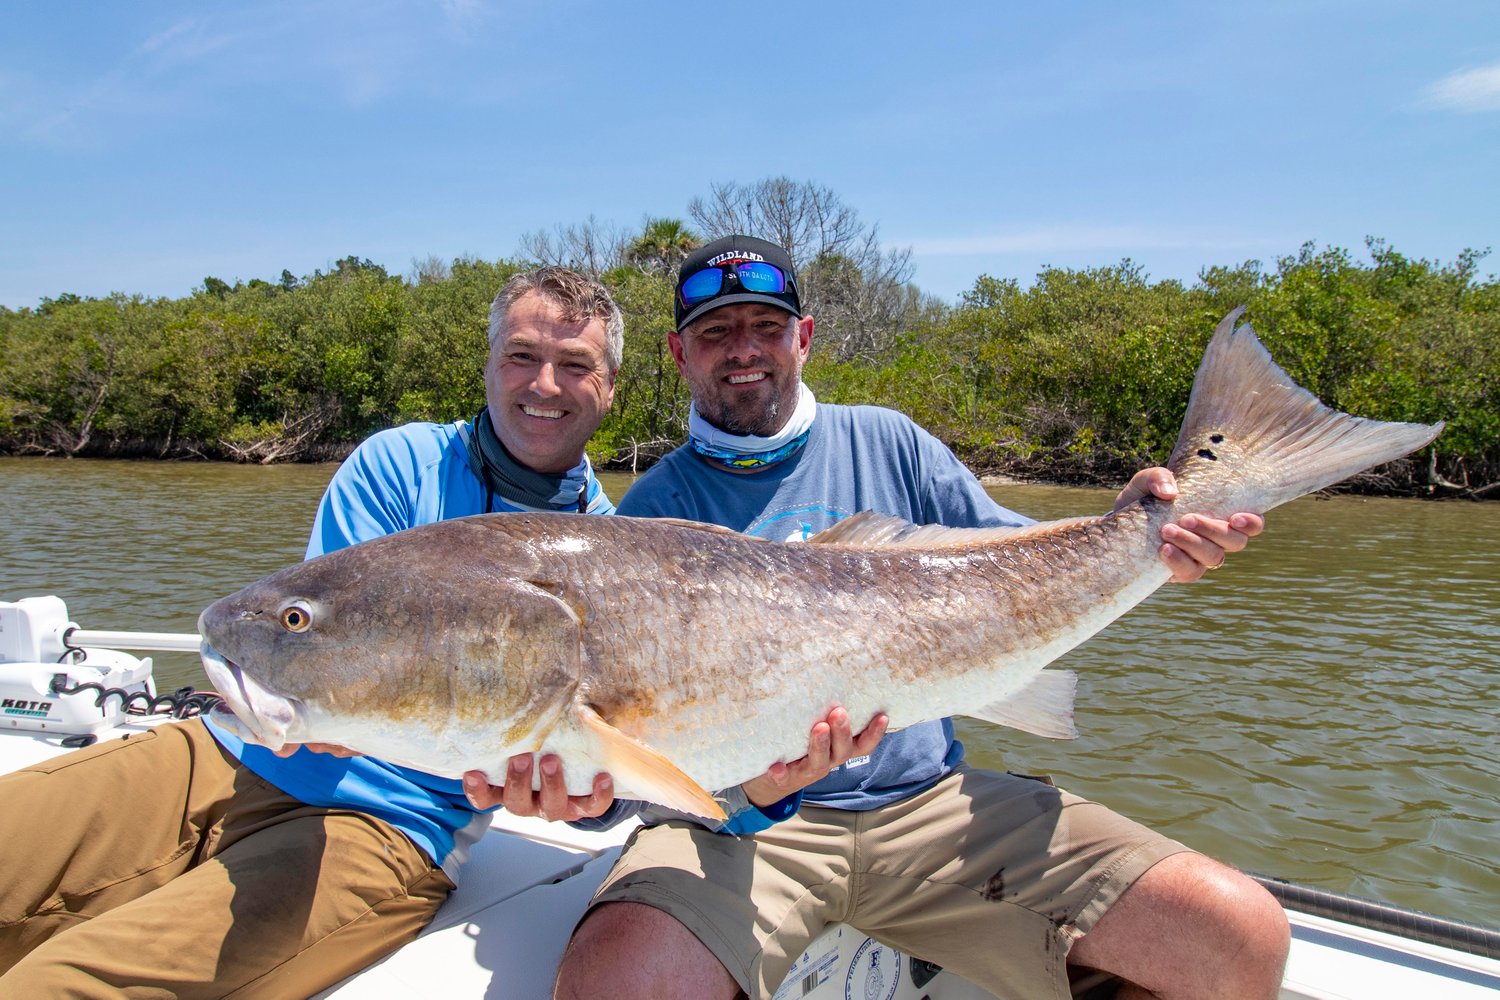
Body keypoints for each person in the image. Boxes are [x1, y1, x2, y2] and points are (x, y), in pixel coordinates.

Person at [548, 236, 1292, 1000]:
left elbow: (1021, 564)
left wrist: (1143, 534)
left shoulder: (892, 441)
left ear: (802, 338)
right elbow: (628, 764)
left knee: (1238, 934)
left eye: (766, 327)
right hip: (740, 834)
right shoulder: (643, 521)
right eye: (715, 333)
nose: (744, 350)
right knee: (615, 983)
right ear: (679, 353)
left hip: (933, 808)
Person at [0, 266, 626, 997]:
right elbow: (307, 660)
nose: (544, 383)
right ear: (488, 365)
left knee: (62, 985)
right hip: (225, 750)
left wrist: (589, 799)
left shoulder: (619, 564)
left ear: (610, 387)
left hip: (394, 824)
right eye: (522, 354)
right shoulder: (400, 463)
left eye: (575, 364)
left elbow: (602, 774)